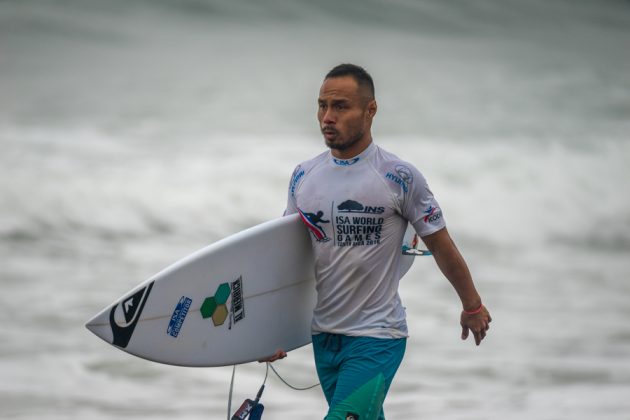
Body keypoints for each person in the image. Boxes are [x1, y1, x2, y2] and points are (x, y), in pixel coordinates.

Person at [264, 64, 492, 420]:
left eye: (340, 106)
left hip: (377, 336)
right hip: (325, 336)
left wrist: (472, 306)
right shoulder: (304, 176)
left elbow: (441, 244)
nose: (327, 117)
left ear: (370, 110)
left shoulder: (398, 177)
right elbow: (289, 260)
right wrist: (268, 332)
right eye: (322, 106)